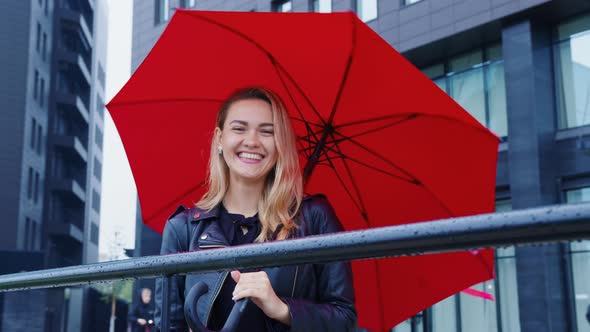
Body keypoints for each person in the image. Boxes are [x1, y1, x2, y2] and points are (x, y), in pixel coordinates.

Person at [154, 87, 356, 331]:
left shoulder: (315, 218)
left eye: (267, 132)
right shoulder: (182, 229)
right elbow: (167, 326)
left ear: (280, 143)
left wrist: (282, 308)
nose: (252, 141)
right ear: (219, 138)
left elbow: (344, 319)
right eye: (239, 128)